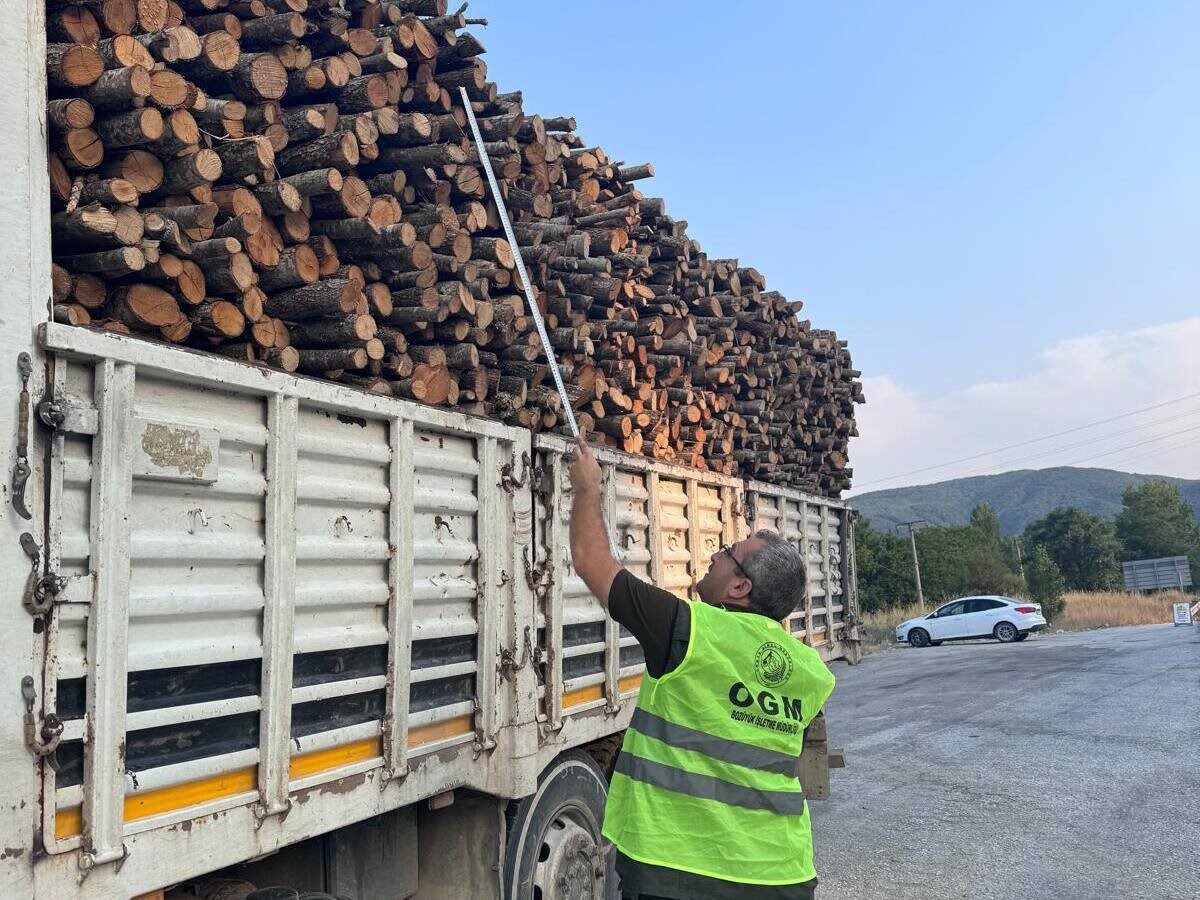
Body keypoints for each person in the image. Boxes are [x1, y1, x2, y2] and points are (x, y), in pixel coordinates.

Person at [568, 436, 837, 900]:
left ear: (740, 586)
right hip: (781, 874)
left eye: (727, 552)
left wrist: (588, 489)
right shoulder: (811, 671)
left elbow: (593, 564)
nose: (714, 555)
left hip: (680, 869)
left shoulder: (690, 631)